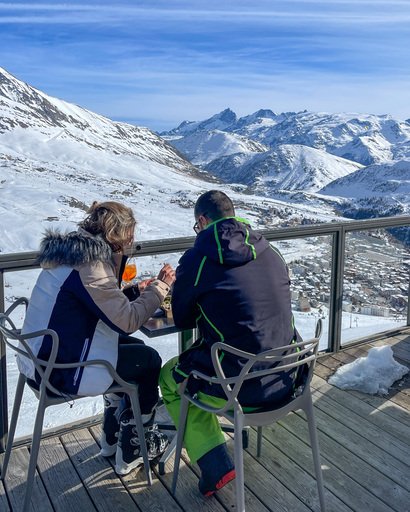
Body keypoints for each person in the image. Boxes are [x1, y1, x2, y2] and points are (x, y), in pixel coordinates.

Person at [18, 201, 176, 475]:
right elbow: (126, 322)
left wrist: (131, 294)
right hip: (61, 372)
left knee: (133, 349)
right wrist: (160, 287)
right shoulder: (91, 266)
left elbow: (94, 306)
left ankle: (112, 435)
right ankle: (134, 447)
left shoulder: (71, 255)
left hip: (43, 359)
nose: (131, 244)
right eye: (130, 239)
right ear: (118, 236)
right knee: (148, 361)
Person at [159, 190, 300, 497]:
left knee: (170, 379)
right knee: (213, 359)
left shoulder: (197, 260)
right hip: (288, 378)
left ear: (201, 221)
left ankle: (215, 463)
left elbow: (183, 318)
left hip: (242, 391)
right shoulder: (271, 252)